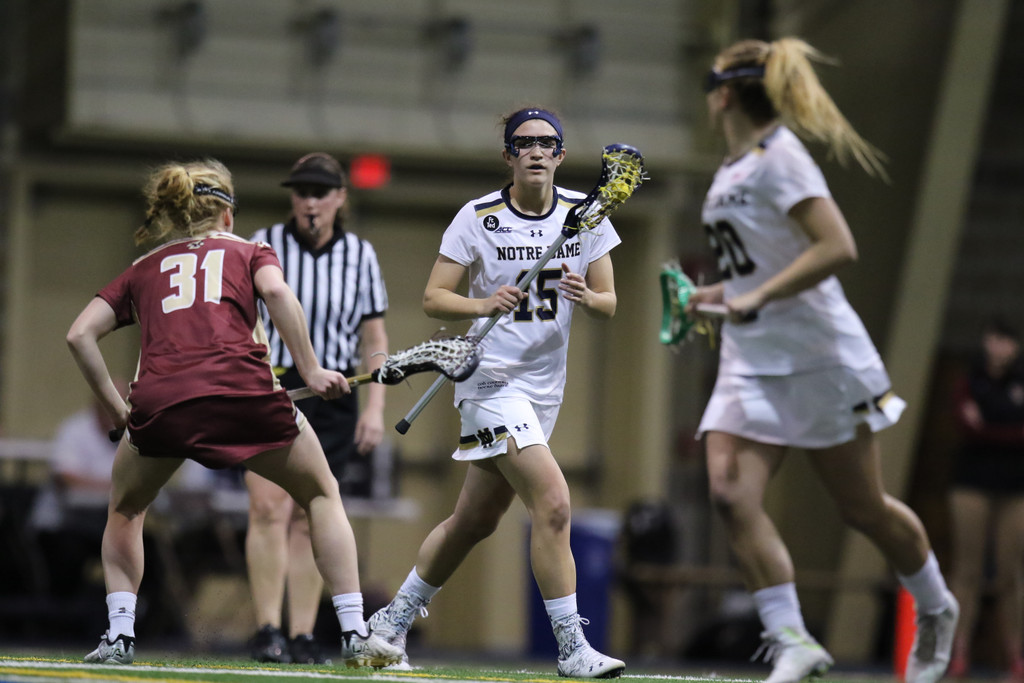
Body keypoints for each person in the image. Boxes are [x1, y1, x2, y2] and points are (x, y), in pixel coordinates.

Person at [685, 38, 959, 683]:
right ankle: (792, 638)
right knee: (728, 492)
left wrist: (756, 295)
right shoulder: (731, 168)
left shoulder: (781, 157)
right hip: (751, 355)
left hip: (816, 353)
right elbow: (764, 264)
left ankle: (937, 605)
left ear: (724, 92)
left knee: (863, 509)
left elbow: (838, 246)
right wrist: (716, 294)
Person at [65, 159, 401, 668]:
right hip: (247, 399)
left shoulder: (144, 268)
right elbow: (278, 294)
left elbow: (79, 335)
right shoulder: (251, 250)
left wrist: (119, 412)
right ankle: (354, 633)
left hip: (164, 406)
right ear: (226, 214)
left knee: (127, 510)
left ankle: (118, 637)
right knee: (320, 493)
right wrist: (309, 370)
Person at [366, 107, 626, 678]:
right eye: (524, 143)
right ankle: (571, 650)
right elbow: (435, 297)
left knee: (473, 522)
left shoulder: (586, 217)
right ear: (509, 156)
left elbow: (610, 303)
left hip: (543, 391)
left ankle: (388, 623)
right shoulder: (477, 217)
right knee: (554, 504)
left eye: (547, 143)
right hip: (488, 381)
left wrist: (586, 294)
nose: (536, 151)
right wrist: (484, 303)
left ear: (559, 155)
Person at [243, 152, 389, 665]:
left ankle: (302, 632)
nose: (309, 201)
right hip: (273, 384)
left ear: (340, 198)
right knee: (267, 507)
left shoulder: (360, 255)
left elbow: (375, 337)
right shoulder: (263, 246)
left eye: (320, 192)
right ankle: (267, 629)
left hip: (336, 393)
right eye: (301, 191)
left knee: (312, 513)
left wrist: (375, 406)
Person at [947, 319, 1024, 680]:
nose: (1000, 347)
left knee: (1010, 574)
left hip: (1015, 487)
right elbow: (968, 428)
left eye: (1007, 341)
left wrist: (990, 426)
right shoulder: (970, 380)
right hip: (971, 482)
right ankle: (958, 655)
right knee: (968, 571)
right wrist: (1004, 428)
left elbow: (989, 429)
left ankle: (1016, 660)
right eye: (995, 339)